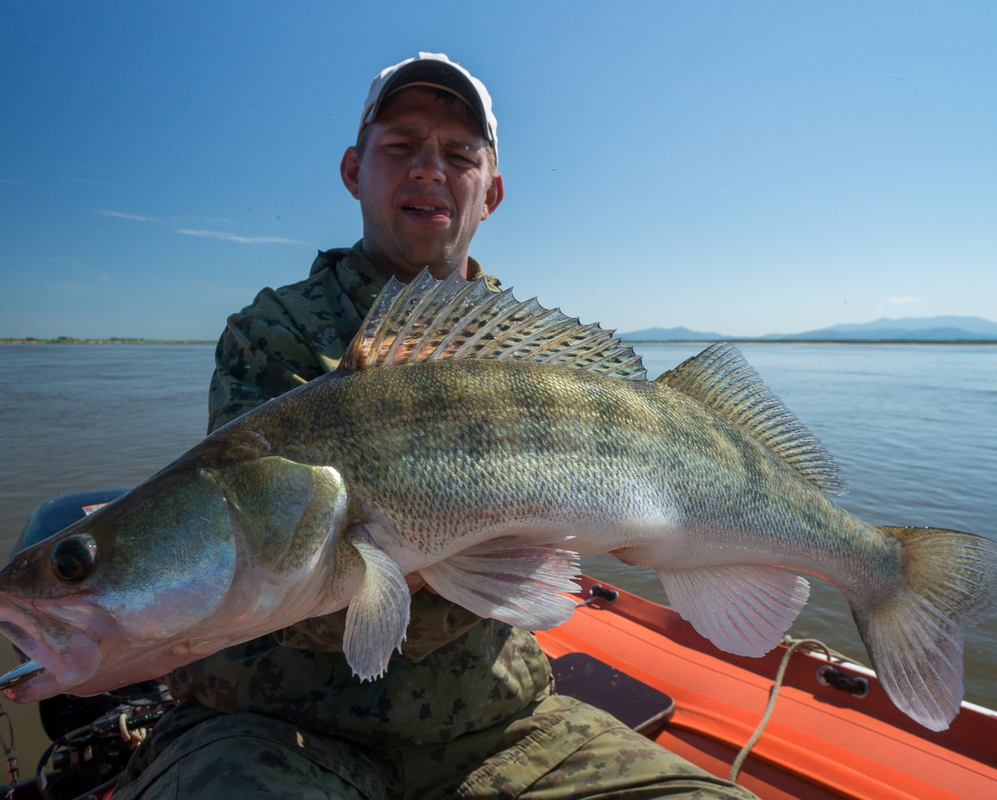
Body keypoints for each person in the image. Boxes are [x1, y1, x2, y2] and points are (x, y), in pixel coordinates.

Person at [113, 53, 755, 799]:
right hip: (277, 731)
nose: (429, 169)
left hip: (496, 727)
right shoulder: (275, 331)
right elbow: (261, 569)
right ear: (354, 170)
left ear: (494, 192)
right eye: (400, 146)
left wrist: (660, 539)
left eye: (459, 154)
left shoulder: (532, 363)